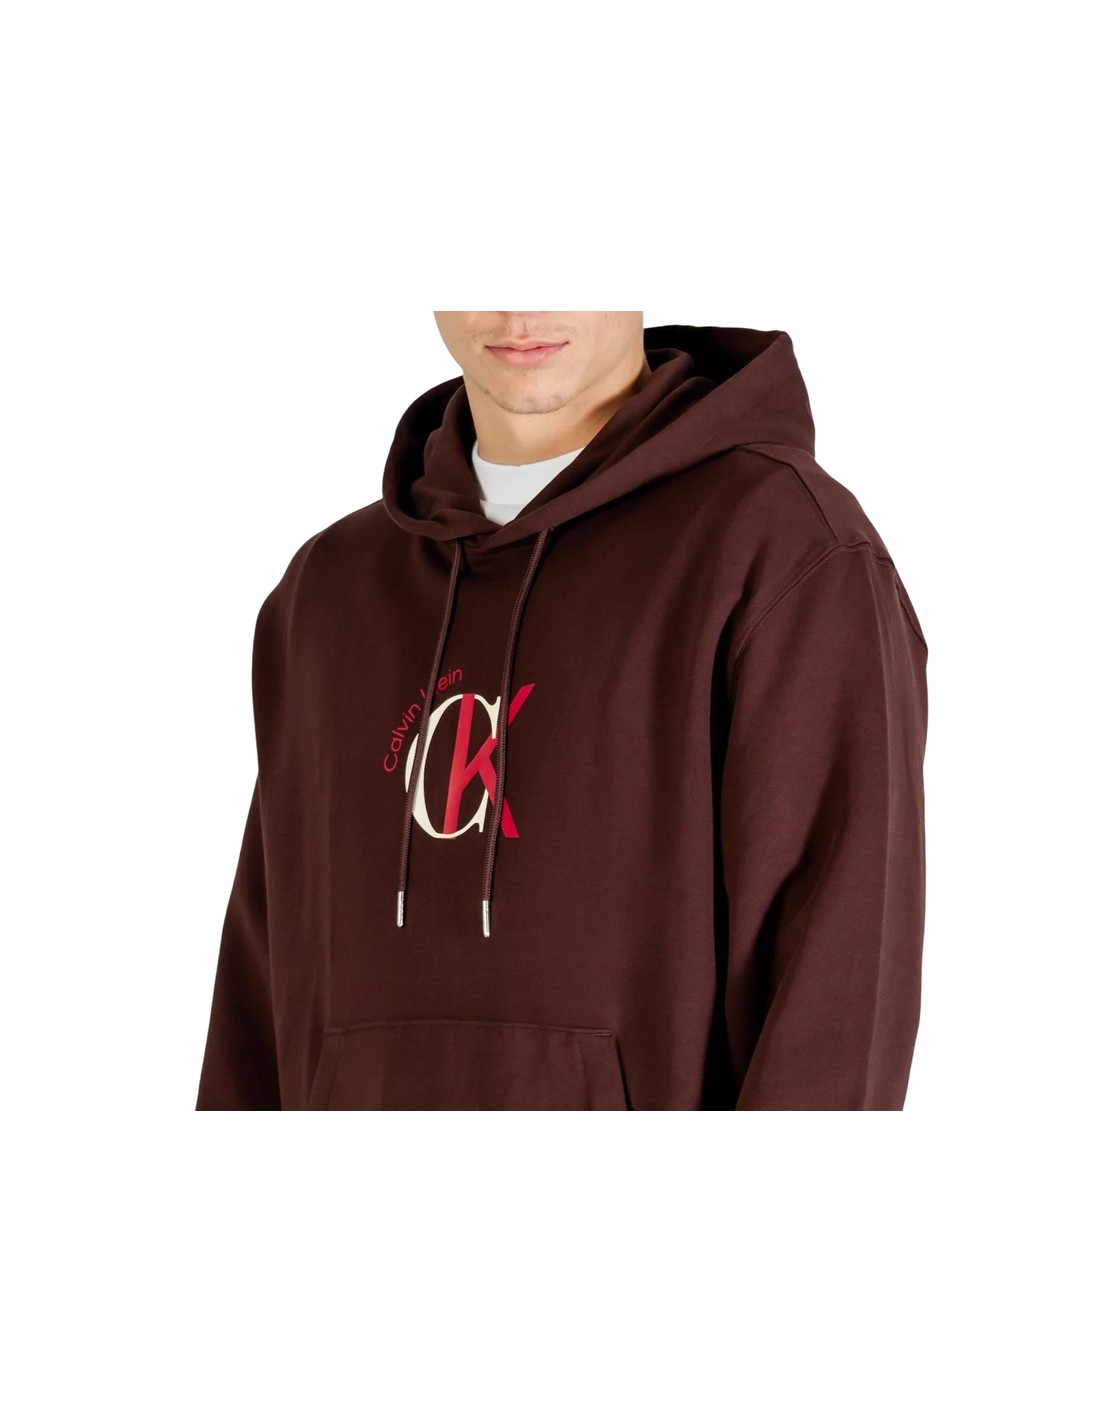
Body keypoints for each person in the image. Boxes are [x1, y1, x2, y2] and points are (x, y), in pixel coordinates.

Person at [195, 312, 929, 1111]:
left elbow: (837, 1001)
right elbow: (257, 997)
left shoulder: (785, 550)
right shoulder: (326, 592)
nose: (521, 308)